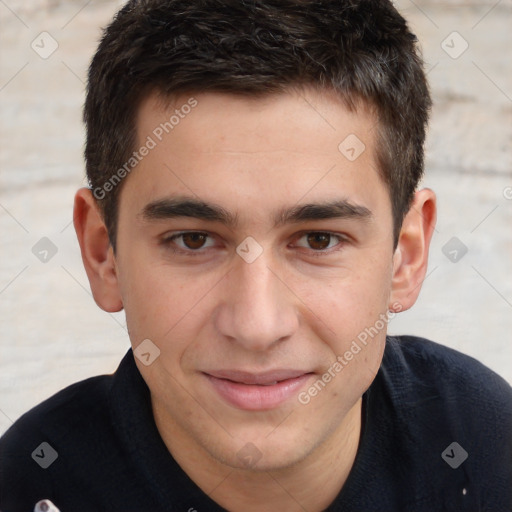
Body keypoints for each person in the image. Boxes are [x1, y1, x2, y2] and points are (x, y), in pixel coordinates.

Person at [1, 0, 511, 510]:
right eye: (193, 240)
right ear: (102, 253)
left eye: (318, 240)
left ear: (405, 255)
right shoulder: (27, 487)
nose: (256, 326)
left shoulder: (491, 456)